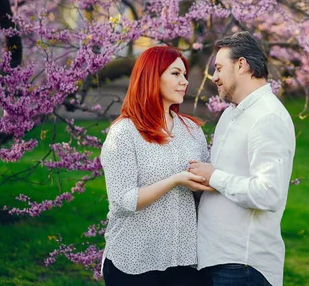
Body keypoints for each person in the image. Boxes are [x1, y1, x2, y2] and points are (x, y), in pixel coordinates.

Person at [188, 31, 296, 286]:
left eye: (219, 68)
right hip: (217, 259)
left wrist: (214, 176)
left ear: (241, 65)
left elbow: (268, 193)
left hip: (244, 266)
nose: (213, 77)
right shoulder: (231, 114)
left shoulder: (268, 117)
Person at [100, 46, 212, 286]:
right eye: (175, 74)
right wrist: (175, 180)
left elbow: (202, 188)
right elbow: (124, 201)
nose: (184, 82)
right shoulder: (125, 133)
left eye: (184, 75)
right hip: (134, 260)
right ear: (152, 76)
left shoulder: (192, 131)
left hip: (184, 260)